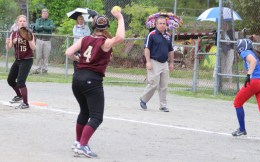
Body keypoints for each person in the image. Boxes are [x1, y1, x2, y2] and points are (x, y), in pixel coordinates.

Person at [65, 9, 125, 158]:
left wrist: (81, 60)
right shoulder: (104, 42)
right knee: (97, 117)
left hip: (77, 78)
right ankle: (83, 145)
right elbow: (121, 37)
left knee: (84, 112)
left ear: (93, 27)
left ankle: (78, 142)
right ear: (105, 28)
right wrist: (120, 17)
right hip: (92, 81)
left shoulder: (84, 39)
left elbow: (68, 52)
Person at [139, 16, 174, 112]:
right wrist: (148, 62)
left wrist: (171, 63)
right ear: (156, 24)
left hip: (164, 63)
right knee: (153, 83)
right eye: (160, 23)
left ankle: (163, 105)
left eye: (164, 23)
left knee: (164, 85)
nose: (162, 25)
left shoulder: (168, 35)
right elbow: (147, 49)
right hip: (154, 62)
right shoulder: (152, 34)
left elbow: (170, 50)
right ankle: (143, 99)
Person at [5, 15, 36, 109]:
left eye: (24, 21)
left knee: (21, 82)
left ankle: (25, 103)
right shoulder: (13, 33)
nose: (22, 22)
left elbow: (34, 48)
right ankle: (19, 96)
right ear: (17, 22)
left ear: (26, 22)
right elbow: (8, 48)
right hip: (18, 60)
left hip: (27, 59)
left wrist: (29, 39)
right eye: (20, 21)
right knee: (10, 80)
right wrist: (8, 42)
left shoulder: (29, 33)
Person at [32, 8, 54, 74]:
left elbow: (51, 27)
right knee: (38, 55)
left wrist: (42, 26)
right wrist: (45, 27)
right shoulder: (38, 20)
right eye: (43, 13)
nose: (45, 14)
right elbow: (36, 27)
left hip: (47, 40)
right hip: (39, 40)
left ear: (48, 14)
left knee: (46, 56)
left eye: (46, 13)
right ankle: (37, 69)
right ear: (41, 14)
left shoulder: (50, 21)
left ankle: (45, 70)